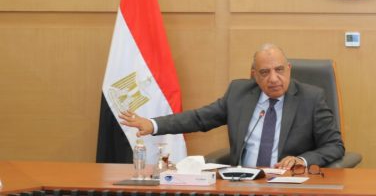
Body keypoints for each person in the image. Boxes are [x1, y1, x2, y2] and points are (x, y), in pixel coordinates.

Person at [119, 43, 345, 169]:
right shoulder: (239, 94)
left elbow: (334, 146)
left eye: (279, 70)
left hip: (289, 185)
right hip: (242, 184)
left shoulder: (311, 98)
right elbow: (199, 118)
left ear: (289, 69)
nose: (274, 79)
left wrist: (301, 160)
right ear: (254, 75)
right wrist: (153, 124)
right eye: (265, 72)